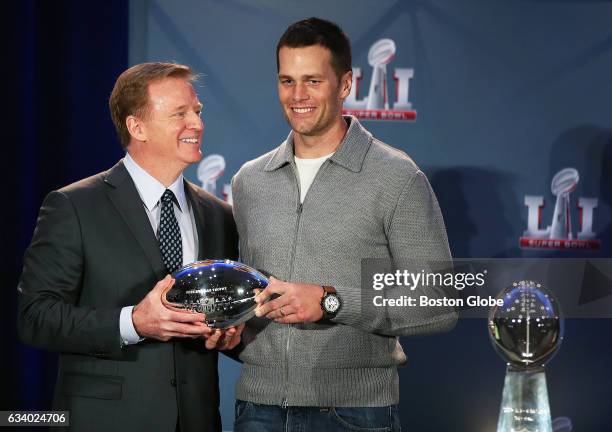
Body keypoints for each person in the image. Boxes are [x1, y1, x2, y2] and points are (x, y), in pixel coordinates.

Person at [231, 18, 457, 431]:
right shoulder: (250, 180)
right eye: (287, 80)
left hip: (352, 413)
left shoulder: (396, 177)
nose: (297, 96)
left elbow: (437, 300)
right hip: (257, 408)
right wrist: (229, 329)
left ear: (346, 84)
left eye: (313, 81)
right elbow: (253, 299)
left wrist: (330, 301)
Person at [17, 62, 241, 432]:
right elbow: (35, 317)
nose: (197, 124)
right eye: (179, 114)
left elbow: (220, 319)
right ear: (137, 127)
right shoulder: (73, 206)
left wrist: (228, 332)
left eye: (197, 111)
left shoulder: (218, 215)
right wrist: (133, 322)